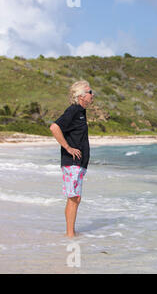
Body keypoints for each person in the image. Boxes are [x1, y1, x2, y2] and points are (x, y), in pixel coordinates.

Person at [50, 80, 94, 238]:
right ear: (81, 96)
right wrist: (68, 148)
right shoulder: (74, 110)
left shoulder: (81, 112)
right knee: (73, 197)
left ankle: (71, 232)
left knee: (76, 197)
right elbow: (54, 127)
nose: (92, 95)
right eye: (90, 92)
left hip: (78, 163)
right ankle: (70, 234)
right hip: (72, 162)